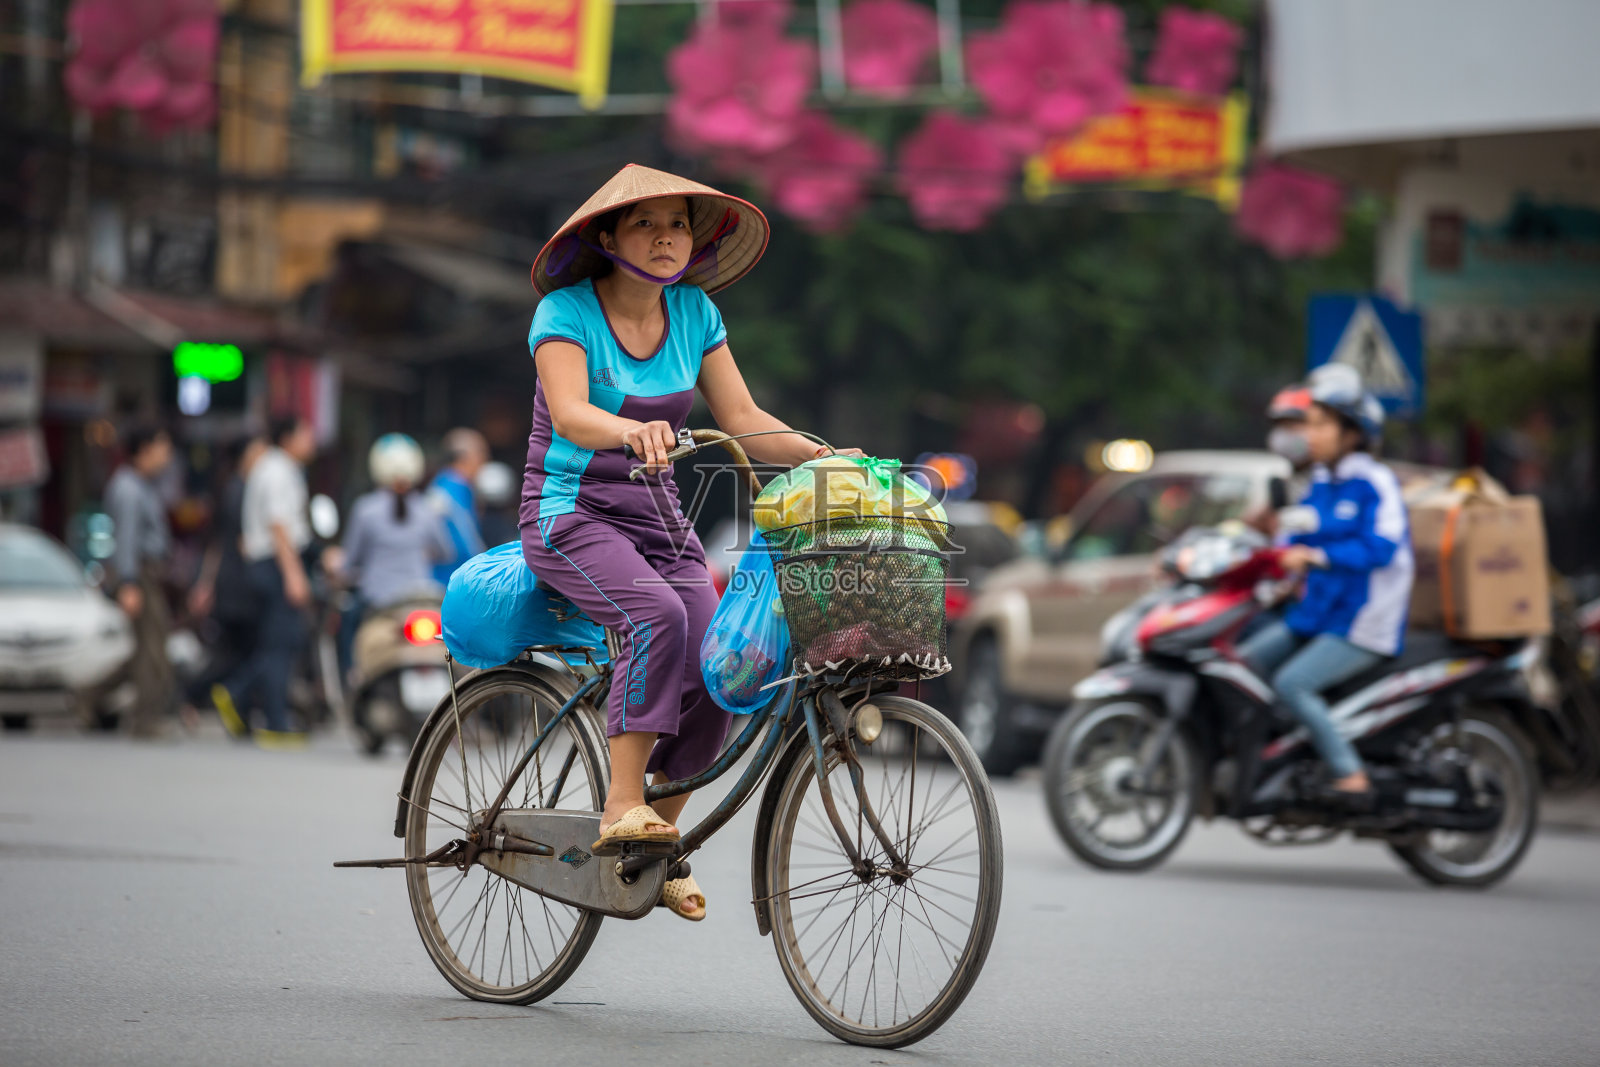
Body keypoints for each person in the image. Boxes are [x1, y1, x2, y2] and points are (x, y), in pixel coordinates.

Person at [520, 164, 862, 920]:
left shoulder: (697, 314)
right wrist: (629, 427)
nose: (666, 235)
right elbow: (572, 414)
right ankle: (620, 805)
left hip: (658, 520)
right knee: (656, 616)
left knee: (725, 664)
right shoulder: (566, 313)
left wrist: (819, 453)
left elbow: (743, 418)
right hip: (571, 516)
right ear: (607, 238)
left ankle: (659, 843)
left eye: (677, 222)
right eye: (645, 223)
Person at [1238, 364, 1414, 800]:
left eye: (1320, 425)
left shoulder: (1375, 482)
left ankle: (1349, 772)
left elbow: (1383, 547)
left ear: (1351, 432)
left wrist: (1318, 556)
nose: (1308, 435)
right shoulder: (1320, 481)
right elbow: (1292, 537)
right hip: (1317, 612)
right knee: (1242, 665)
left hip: (1362, 620)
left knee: (1292, 683)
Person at [212, 415, 317, 748]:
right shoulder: (277, 471)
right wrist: (294, 574)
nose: (311, 440)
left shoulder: (274, 468)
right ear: (287, 436)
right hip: (275, 563)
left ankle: (243, 699)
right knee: (281, 644)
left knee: (277, 644)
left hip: (268, 564)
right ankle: (270, 718)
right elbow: (278, 525)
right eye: (305, 432)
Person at [337, 434, 452, 675]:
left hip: (380, 603)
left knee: (347, 629)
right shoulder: (427, 508)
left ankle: (350, 677)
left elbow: (349, 563)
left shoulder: (365, 509)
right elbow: (445, 552)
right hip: (423, 598)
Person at [187, 435, 267, 729]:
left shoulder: (232, 488)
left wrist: (205, 583)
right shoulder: (243, 490)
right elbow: (231, 543)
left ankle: (237, 709)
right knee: (238, 652)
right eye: (259, 450)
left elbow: (216, 544)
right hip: (240, 585)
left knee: (237, 650)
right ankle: (197, 695)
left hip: (230, 582)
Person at [105, 424, 175, 737]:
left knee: (141, 650)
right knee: (151, 650)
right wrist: (128, 583)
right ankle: (146, 720)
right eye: (163, 446)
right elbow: (126, 539)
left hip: (147, 573)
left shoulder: (144, 485)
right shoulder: (129, 488)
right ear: (144, 449)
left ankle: (86, 699)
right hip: (139, 575)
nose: (168, 454)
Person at [429, 427, 488, 584]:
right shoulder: (452, 489)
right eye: (481, 454)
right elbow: (468, 542)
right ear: (464, 458)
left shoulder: (444, 485)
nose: (484, 461)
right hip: (449, 581)